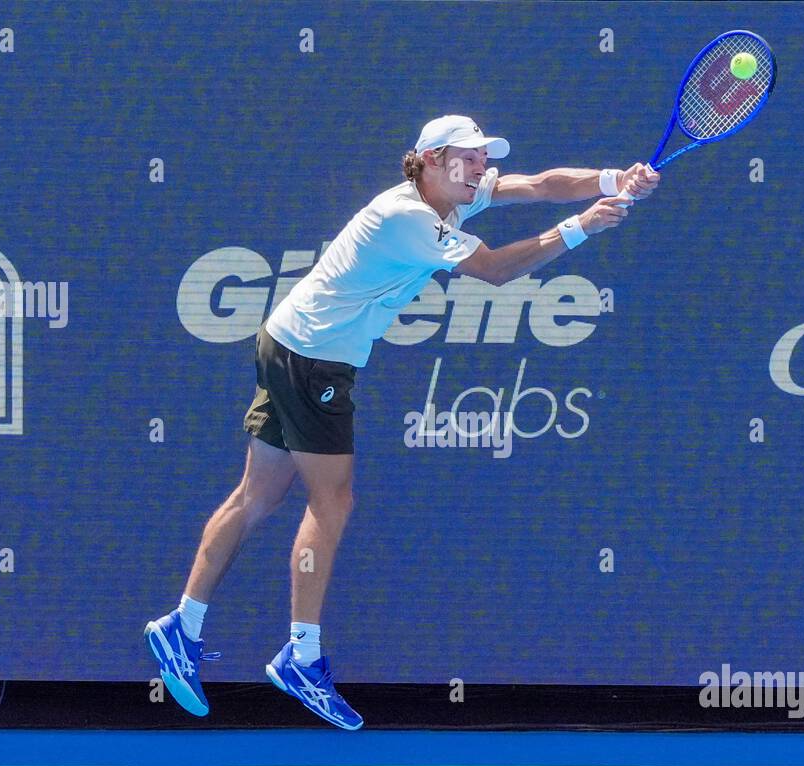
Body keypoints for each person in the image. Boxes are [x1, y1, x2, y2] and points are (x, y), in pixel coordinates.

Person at [146, 114, 660, 729]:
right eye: (469, 157)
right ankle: (300, 656)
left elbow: (541, 184)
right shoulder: (409, 219)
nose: (481, 168)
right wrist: (581, 228)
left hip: (285, 341)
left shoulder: (447, 198)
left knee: (256, 495)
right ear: (435, 160)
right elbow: (494, 270)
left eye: (481, 158)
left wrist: (611, 179)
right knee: (330, 502)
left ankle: (183, 624)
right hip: (315, 362)